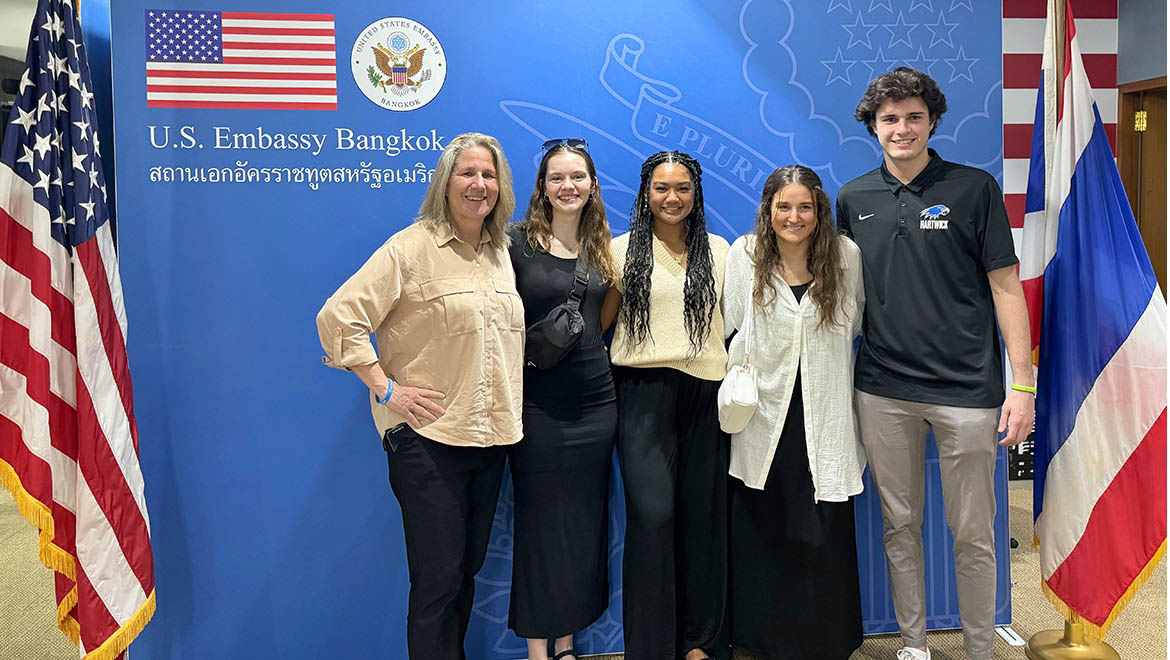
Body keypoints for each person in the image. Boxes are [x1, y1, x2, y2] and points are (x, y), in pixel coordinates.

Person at [835, 68, 1035, 660]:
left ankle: (980, 650)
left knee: (973, 534)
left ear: (932, 121)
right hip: (882, 389)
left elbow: (1005, 287)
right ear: (873, 126)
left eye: (913, 117)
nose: (902, 128)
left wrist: (1021, 384)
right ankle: (914, 646)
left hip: (968, 391)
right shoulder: (851, 198)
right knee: (900, 527)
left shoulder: (975, 189)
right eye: (889, 118)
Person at [315, 133, 521, 660]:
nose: (479, 184)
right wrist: (385, 388)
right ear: (445, 181)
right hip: (428, 441)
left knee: (465, 572)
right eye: (467, 173)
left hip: (490, 437)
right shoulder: (411, 248)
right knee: (437, 580)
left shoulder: (500, 254)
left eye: (489, 175)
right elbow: (340, 317)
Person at [722, 165, 866, 660]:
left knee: (822, 530)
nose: (794, 216)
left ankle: (827, 641)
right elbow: (731, 326)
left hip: (825, 415)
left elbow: (857, 324)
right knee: (767, 527)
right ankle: (763, 640)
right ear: (768, 210)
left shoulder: (845, 257)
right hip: (765, 418)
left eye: (804, 206)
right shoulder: (744, 255)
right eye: (783, 206)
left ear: (819, 210)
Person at [601, 151, 731, 660]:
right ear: (645, 193)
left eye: (682, 189)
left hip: (707, 393)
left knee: (703, 519)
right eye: (661, 188)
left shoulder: (721, 252)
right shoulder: (621, 251)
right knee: (653, 518)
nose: (671, 198)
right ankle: (653, 647)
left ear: (695, 194)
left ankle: (701, 643)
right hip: (641, 394)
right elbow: (602, 326)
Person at [505, 139, 618, 660]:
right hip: (537, 408)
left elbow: (601, 324)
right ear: (543, 187)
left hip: (596, 406)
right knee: (539, 524)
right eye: (557, 177)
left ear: (592, 185)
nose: (568, 186)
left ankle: (568, 643)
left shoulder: (604, 250)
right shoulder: (514, 244)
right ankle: (536, 649)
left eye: (578, 177)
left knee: (583, 522)